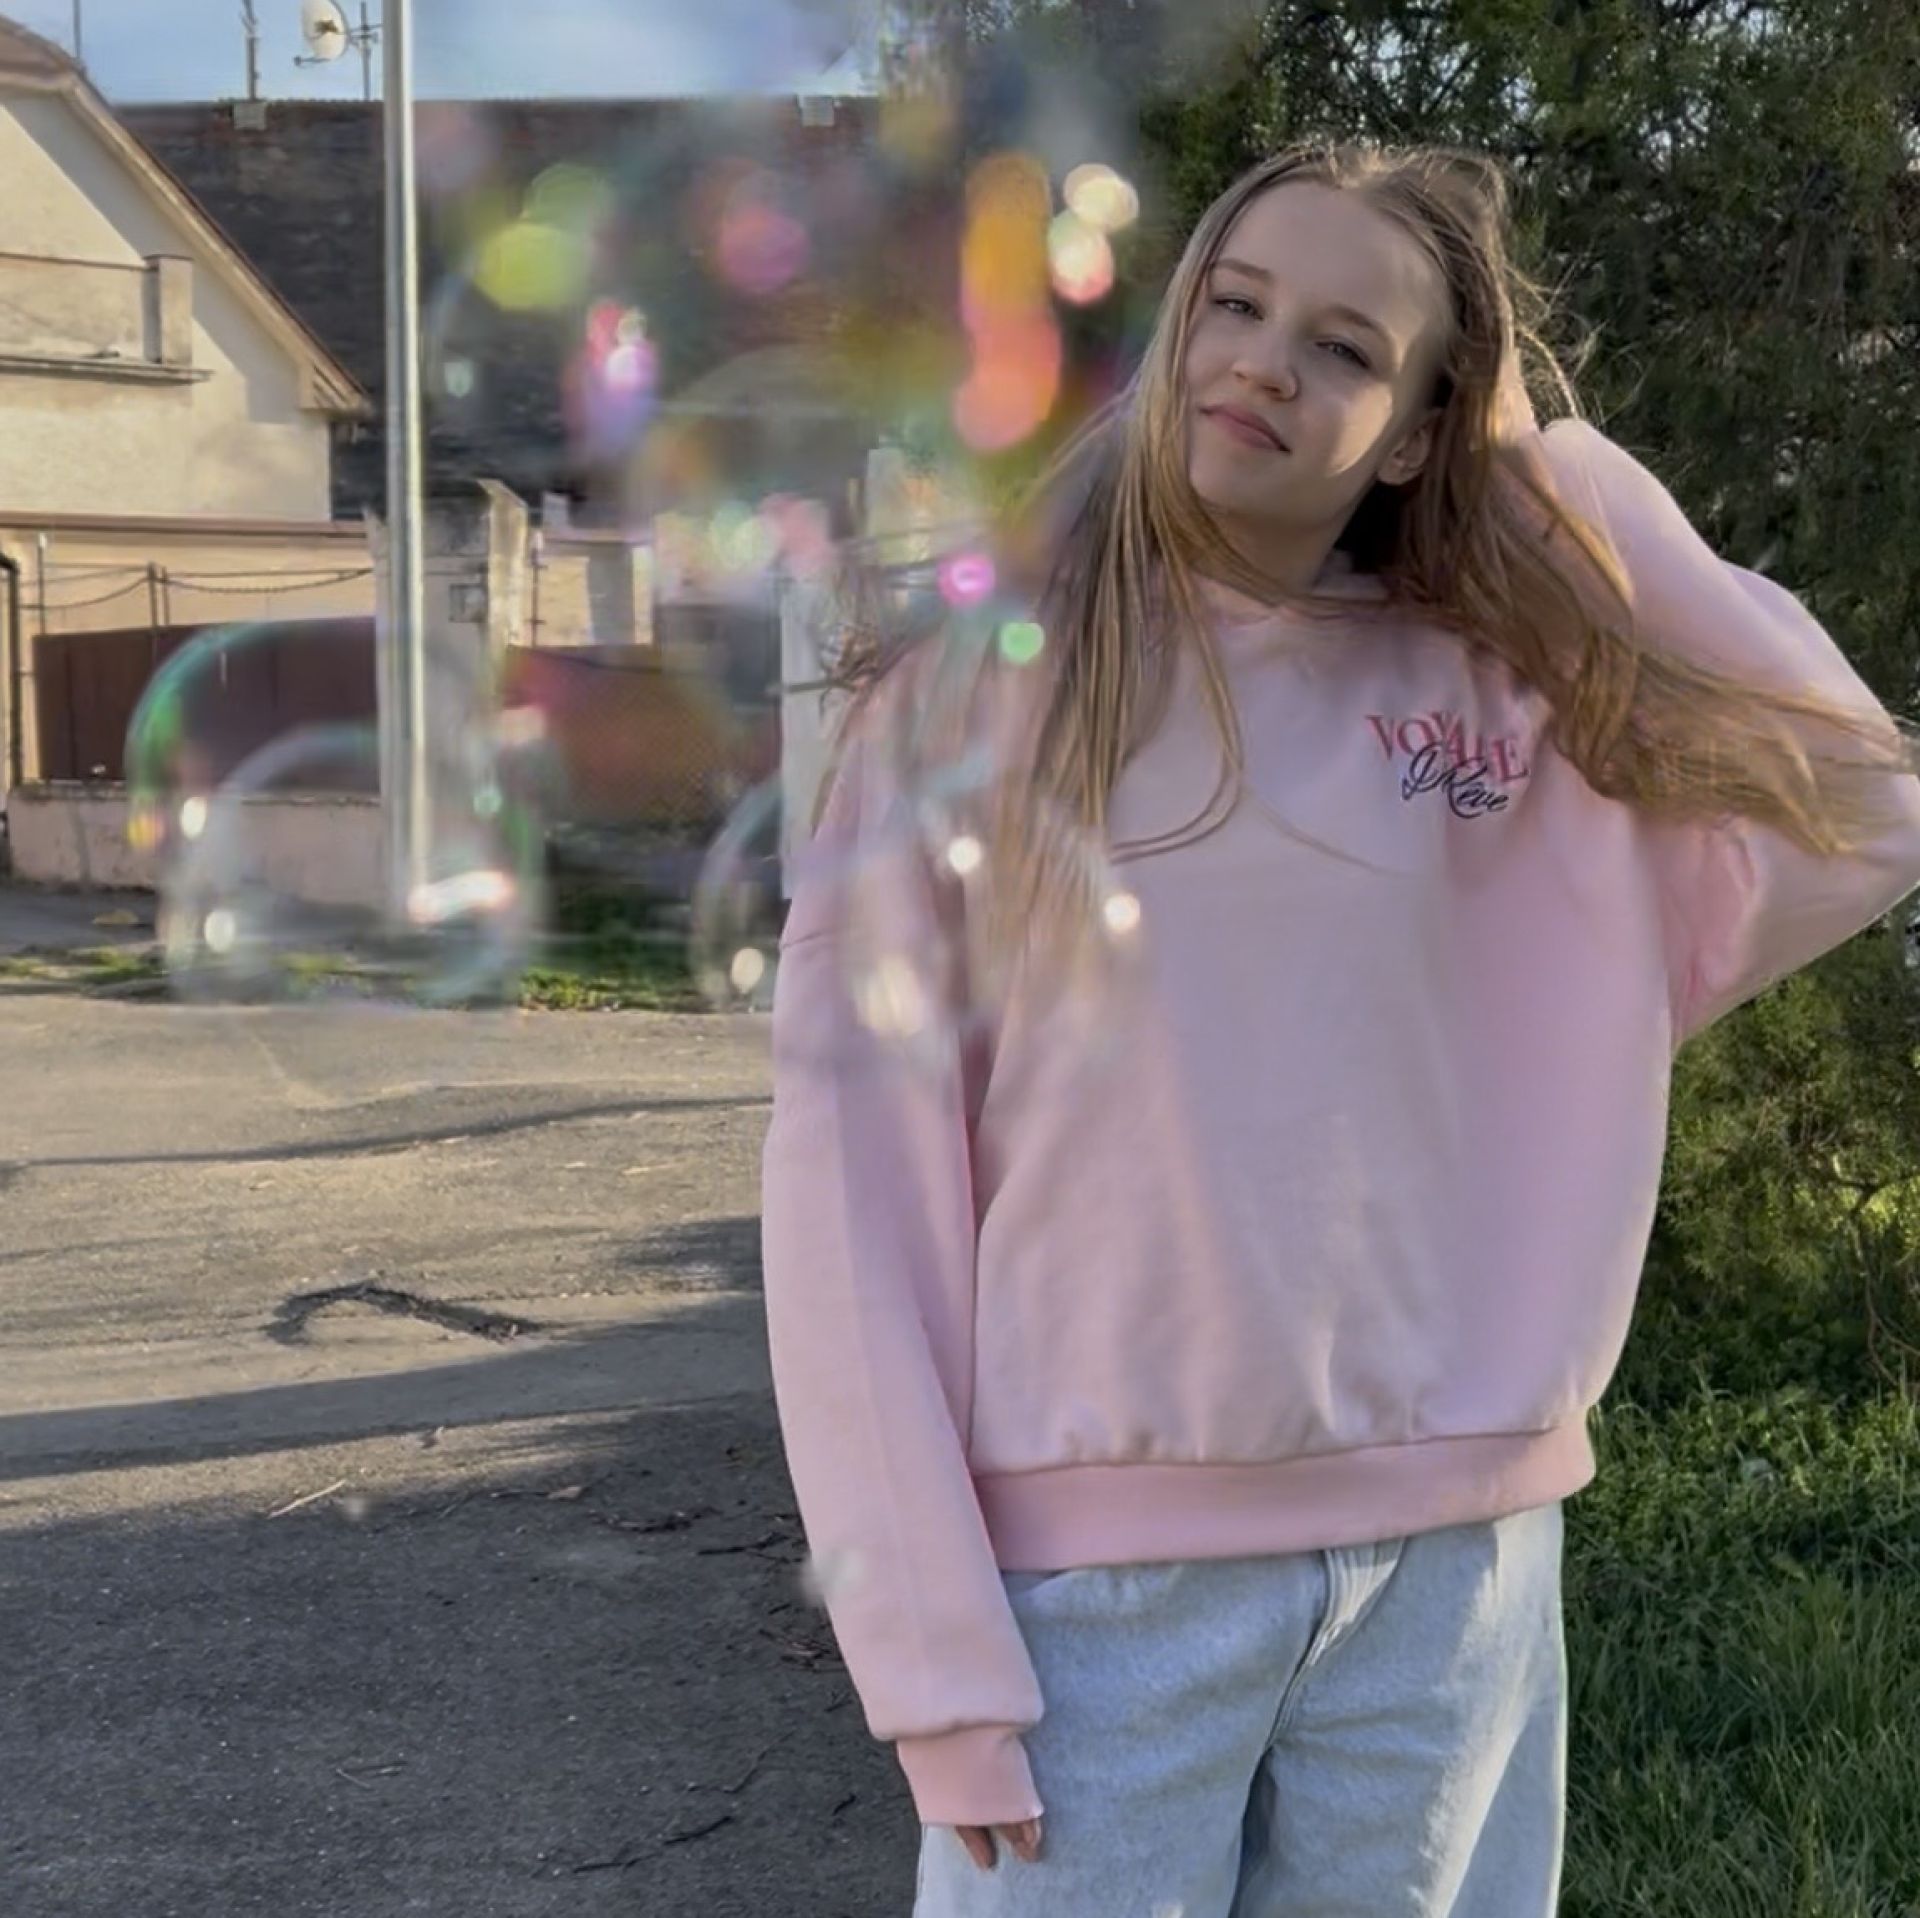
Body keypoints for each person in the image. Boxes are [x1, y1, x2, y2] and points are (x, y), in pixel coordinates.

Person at [759, 139, 1920, 1916]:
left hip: (1451, 1584)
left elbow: (1865, 798)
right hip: (1097, 1604)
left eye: (1345, 346)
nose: (1263, 365)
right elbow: (854, 1202)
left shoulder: (1518, 714)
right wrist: (931, 1656)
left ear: (1421, 427)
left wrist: (1547, 472)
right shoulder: (978, 702)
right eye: (1235, 304)